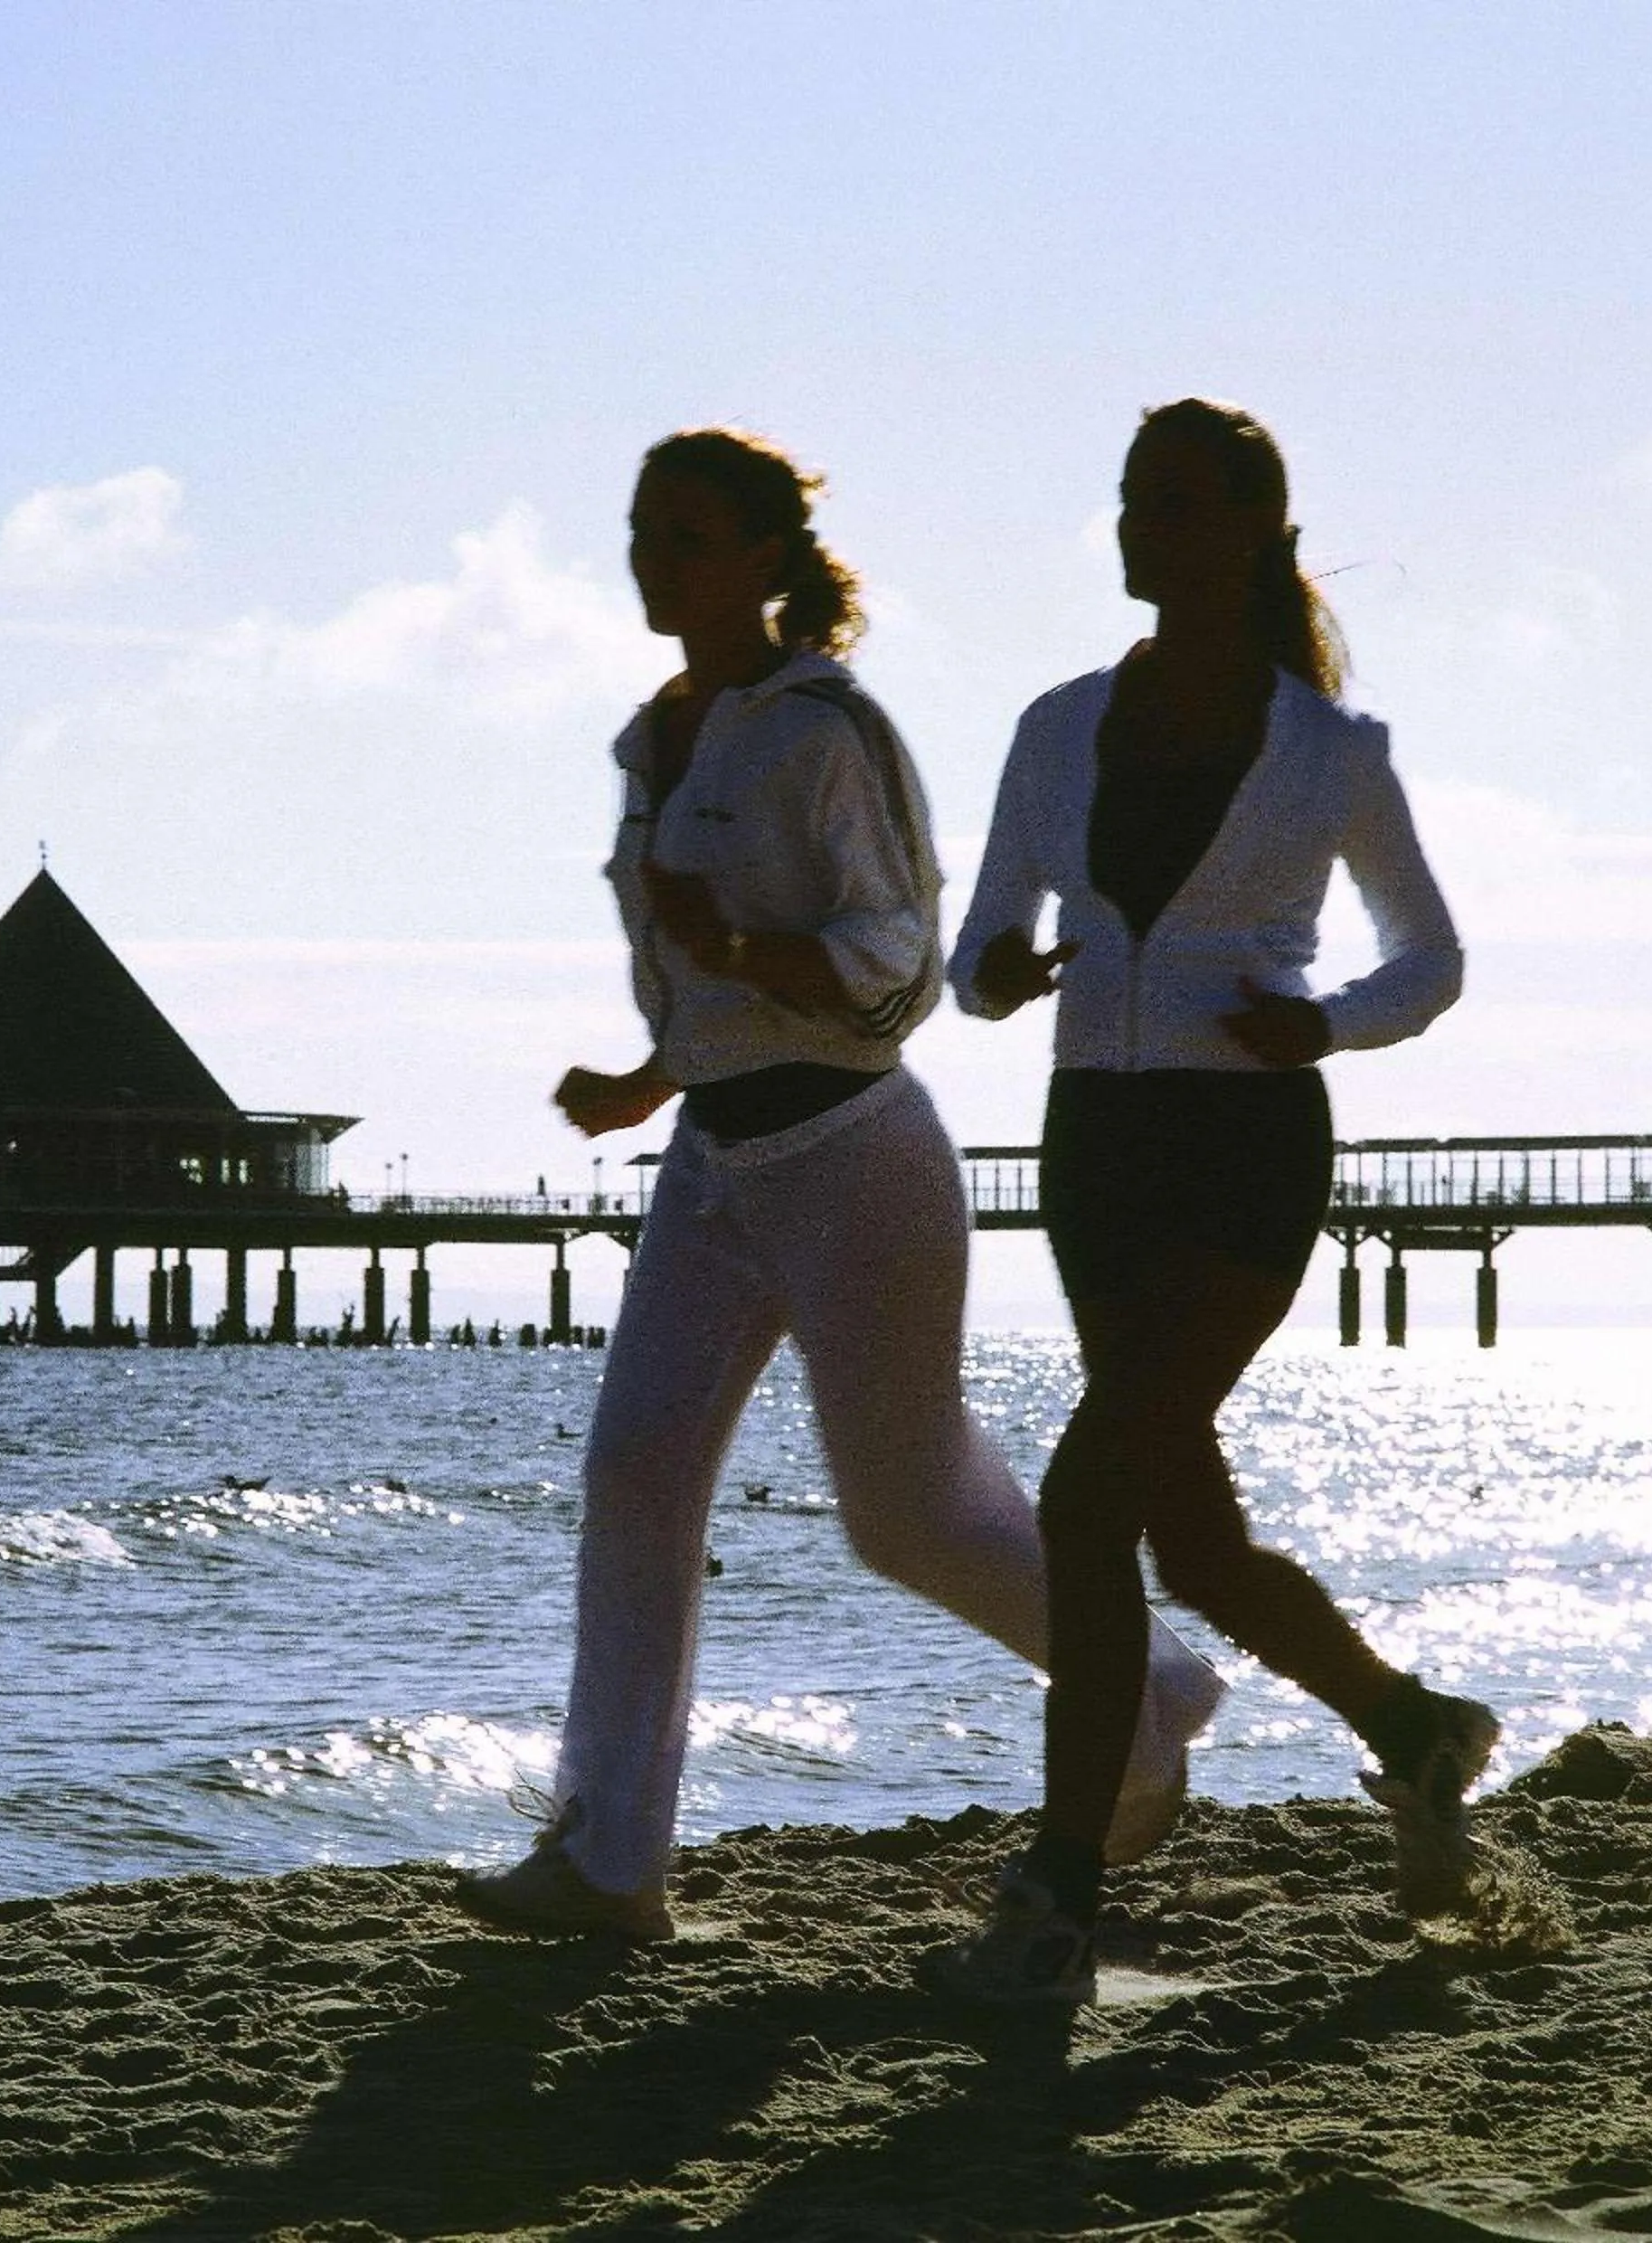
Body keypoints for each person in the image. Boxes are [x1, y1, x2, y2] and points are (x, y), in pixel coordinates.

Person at [456, 428, 1228, 1943]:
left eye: (685, 537)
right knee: (635, 1472)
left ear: (764, 557)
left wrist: (732, 956)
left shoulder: (823, 731)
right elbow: (716, 983)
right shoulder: (654, 737)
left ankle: (1149, 1685)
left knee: (908, 1518)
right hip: (713, 1158)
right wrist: (657, 1070)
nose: (651, 562)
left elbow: (892, 977)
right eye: (639, 532)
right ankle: (611, 1860)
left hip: (854, 1160)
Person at [935, 399, 1489, 2006]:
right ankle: (1414, 1728)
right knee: (1189, 1533)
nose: (1135, 529)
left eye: (1170, 504)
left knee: (1086, 1501)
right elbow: (981, 951)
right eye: (1127, 501)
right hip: (1093, 1145)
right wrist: (997, 974)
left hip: (1246, 1147)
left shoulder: (1332, 754)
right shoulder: (1053, 726)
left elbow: (1430, 958)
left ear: (1251, 529)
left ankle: (1055, 1892)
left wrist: (1321, 1022)